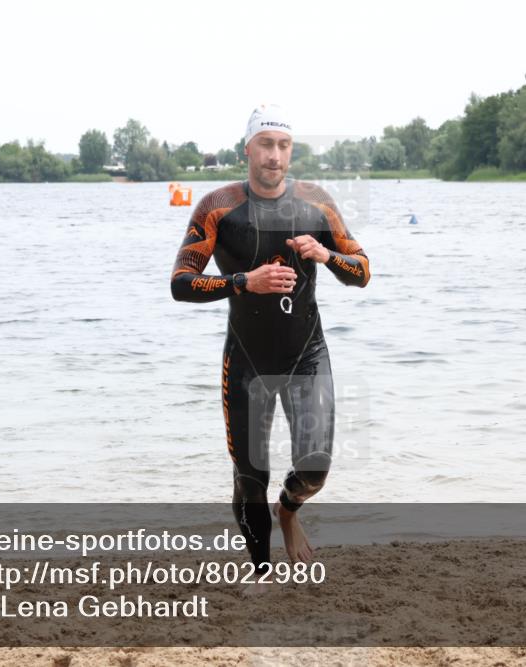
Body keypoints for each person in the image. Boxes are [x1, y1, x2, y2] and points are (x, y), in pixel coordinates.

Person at [170, 104, 371, 595]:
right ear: (248, 150)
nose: (274, 156)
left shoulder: (317, 204)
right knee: (249, 474)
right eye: (265, 145)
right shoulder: (217, 206)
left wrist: (326, 254)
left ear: (290, 151)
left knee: (315, 467)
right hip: (246, 360)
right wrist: (244, 281)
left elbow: (362, 270)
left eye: (282, 146)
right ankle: (260, 571)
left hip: (307, 353)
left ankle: (289, 511)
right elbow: (180, 283)